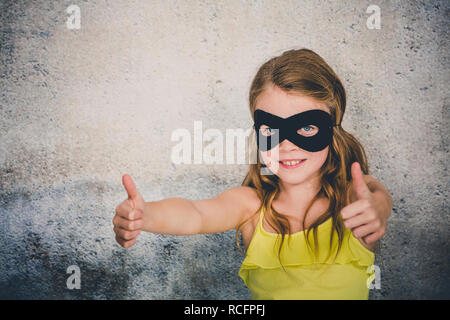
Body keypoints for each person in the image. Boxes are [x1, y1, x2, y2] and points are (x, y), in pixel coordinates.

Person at [113, 48, 393, 300]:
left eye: (307, 127)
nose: (287, 145)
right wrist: (146, 215)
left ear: (333, 130)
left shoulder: (351, 202)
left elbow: (375, 194)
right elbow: (196, 214)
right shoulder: (251, 207)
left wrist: (378, 208)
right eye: (272, 130)